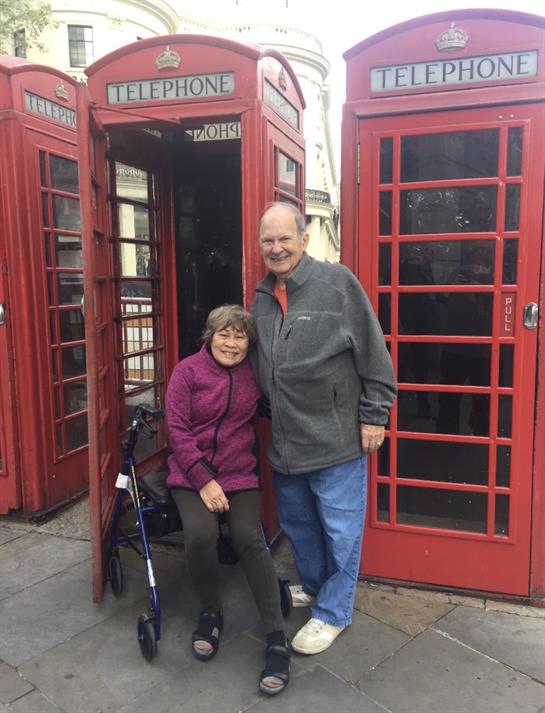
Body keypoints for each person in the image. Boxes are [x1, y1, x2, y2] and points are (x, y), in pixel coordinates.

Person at [251, 203, 396, 655]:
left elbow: (375, 355)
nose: (276, 249)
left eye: (284, 239)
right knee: (299, 524)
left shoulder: (338, 285)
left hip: (335, 439)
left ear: (304, 238)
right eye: (267, 241)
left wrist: (375, 414)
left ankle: (334, 611)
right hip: (286, 441)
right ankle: (314, 586)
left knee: (341, 530)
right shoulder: (260, 295)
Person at [165, 304, 289, 696]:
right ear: (210, 335)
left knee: (249, 538)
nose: (231, 343)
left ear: (248, 343)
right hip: (190, 473)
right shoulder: (187, 371)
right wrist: (203, 479)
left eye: (240, 336)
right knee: (201, 534)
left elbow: (287, 397)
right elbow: (177, 430)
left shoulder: (254, 376)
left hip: (238, 473)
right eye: (224, 334)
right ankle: (211, 611)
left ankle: (276, 637)